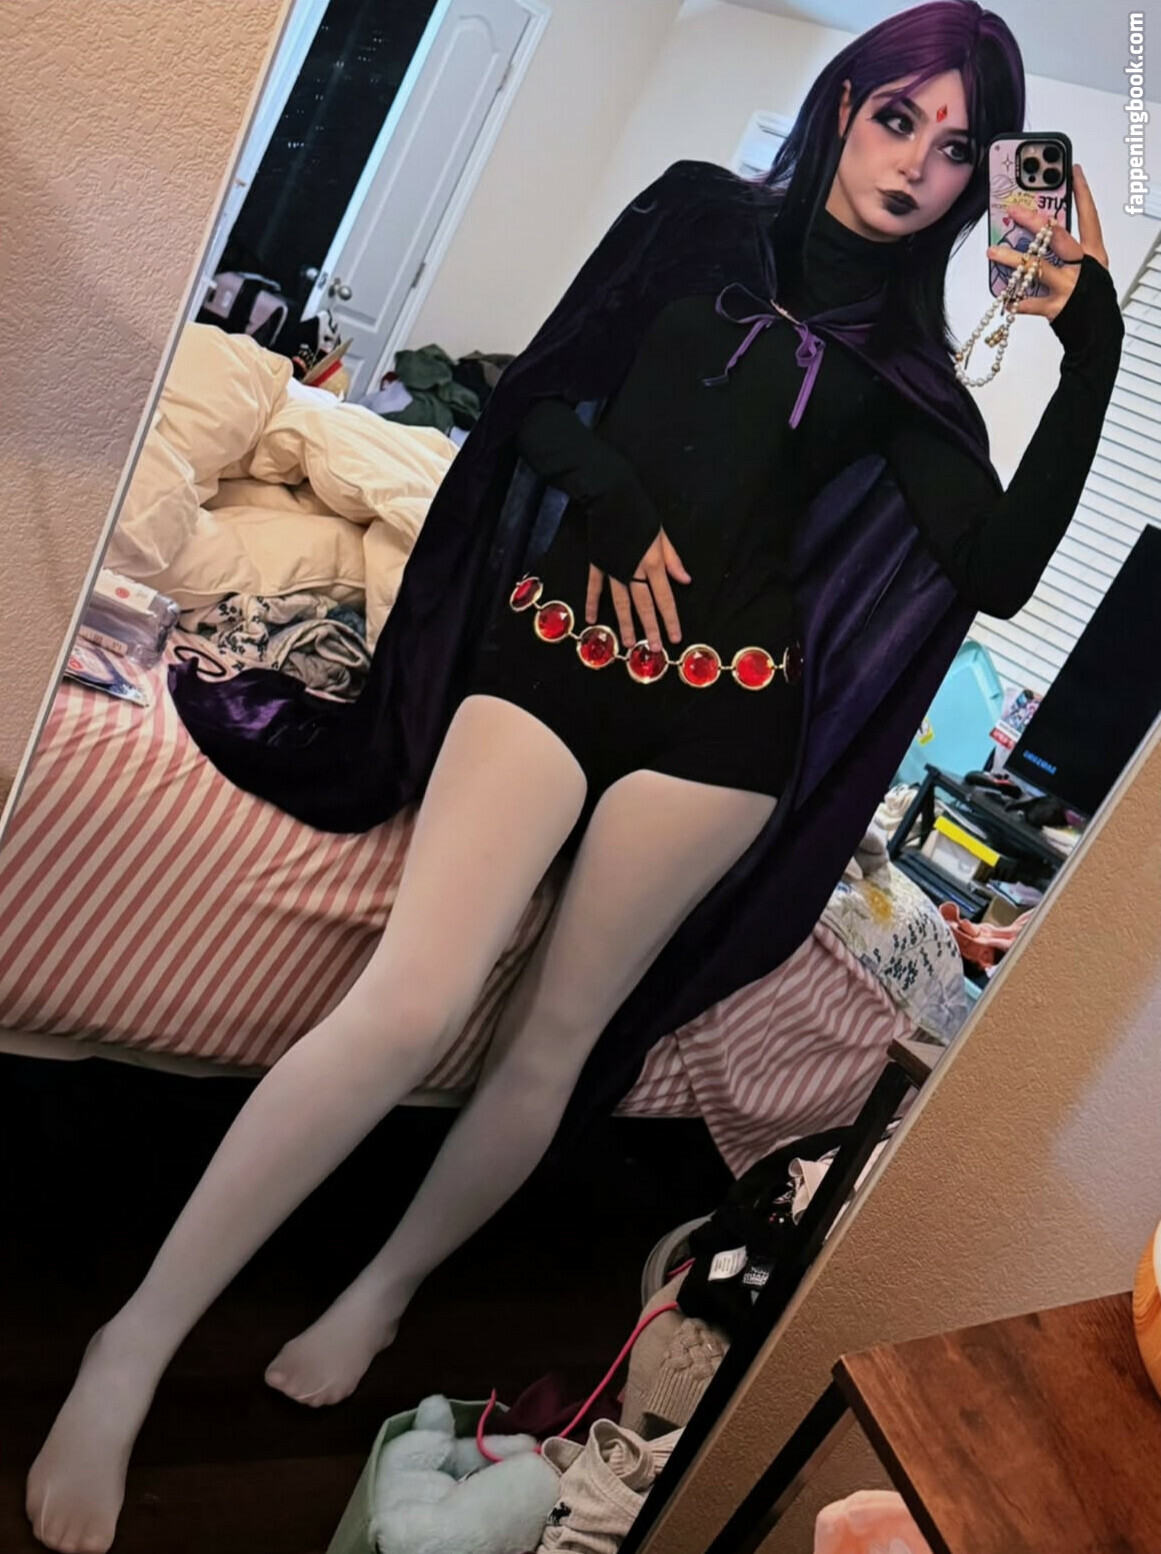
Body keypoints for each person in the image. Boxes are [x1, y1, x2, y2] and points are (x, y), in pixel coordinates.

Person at [27, 2, 1124, 1549]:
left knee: (554, 1042)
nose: (916, 164)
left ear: (978, 185)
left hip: (724, 732)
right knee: (411, 1000)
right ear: (844, 103)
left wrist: (1095, 342)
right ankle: (130, 1343)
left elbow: (996, 572)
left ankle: (385, 1289)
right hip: (550, 662)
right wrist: (610, 498)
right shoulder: (693, 216)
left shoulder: (904, 372)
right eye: (899, 117)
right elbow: (540, 394)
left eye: (957, 149)